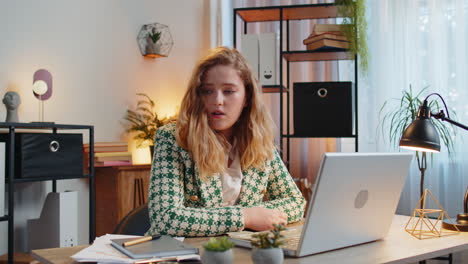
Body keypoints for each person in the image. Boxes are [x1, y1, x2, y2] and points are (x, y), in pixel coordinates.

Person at [147, 47, 305, 237]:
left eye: (229, 91)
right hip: (183, 254)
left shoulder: (259, 140)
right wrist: (246, 217)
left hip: (241, 252)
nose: (217, 101)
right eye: (207, 91)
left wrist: (260, 215)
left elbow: (295, 202)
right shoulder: (172, 138)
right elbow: (165, 219)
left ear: (247, 97)